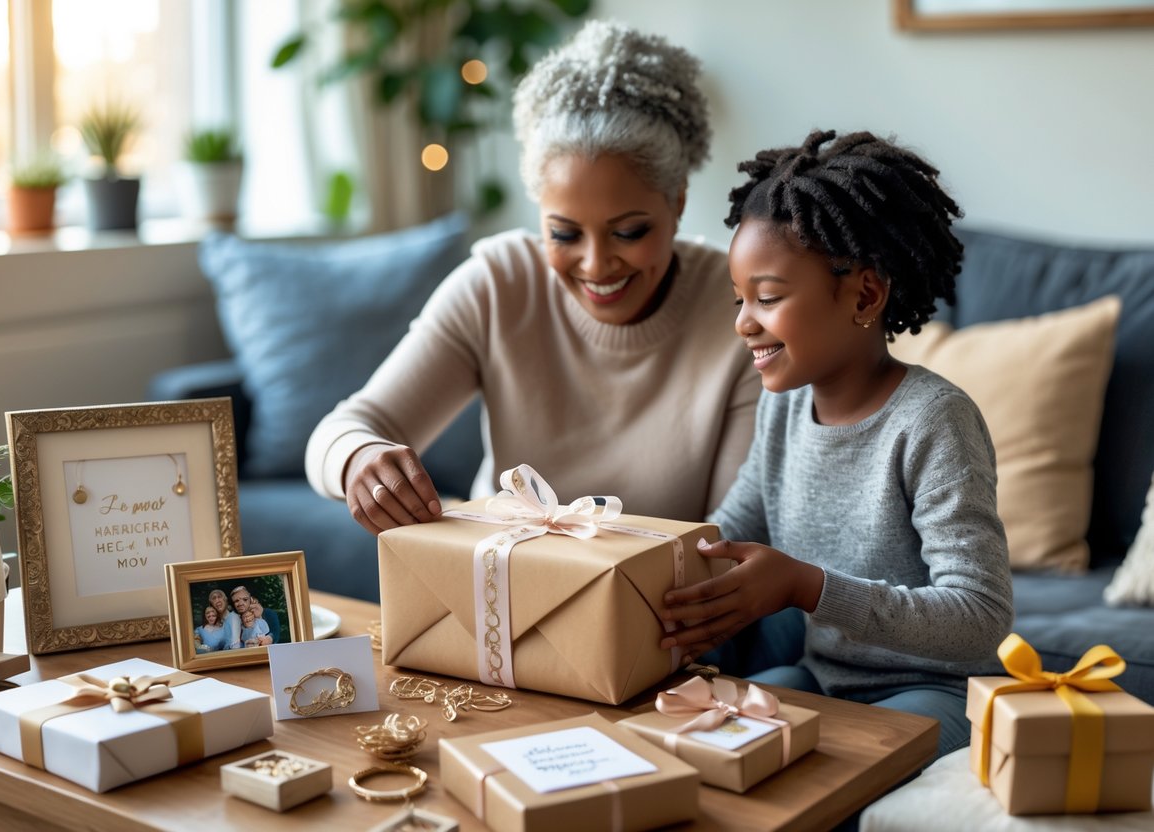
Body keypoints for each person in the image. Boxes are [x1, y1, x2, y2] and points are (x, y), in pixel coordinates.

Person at [305, 19, 761, 533]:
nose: (595, 265)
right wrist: (359, 459)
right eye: (564, 234)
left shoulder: (739, 309)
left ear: (676, 202)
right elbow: (338, 432)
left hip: (665, 606)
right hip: (498, 601)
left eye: (629, 232)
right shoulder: (498, 286)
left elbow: (729, 538)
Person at [660, 129, 1014, 758]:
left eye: (767, 298)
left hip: (937, 689)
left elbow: (979, 616)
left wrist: (807, 587)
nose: (743, 322)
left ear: (865, 295)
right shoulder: (787, 407)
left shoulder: (935, 421)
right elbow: (733, 525)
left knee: (825, 763)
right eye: (739, 299)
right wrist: (643, 567)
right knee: (705, 731)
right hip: (824, 675)